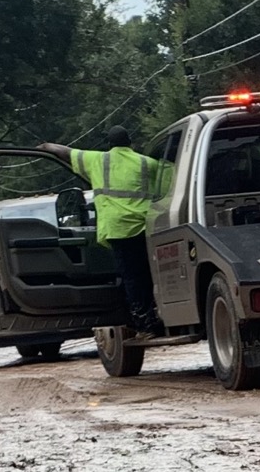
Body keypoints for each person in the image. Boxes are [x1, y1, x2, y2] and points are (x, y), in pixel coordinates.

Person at [39, 127, 168, 335]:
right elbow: (171, 180)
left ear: (109, 144)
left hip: (118, 229)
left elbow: (64, 151)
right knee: (150, 273)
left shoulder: (97, 160)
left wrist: (43, 147)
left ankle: (144, 322)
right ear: (130, 142)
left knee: (132, 277)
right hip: (146, 226)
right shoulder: (147, 163)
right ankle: (159, 314)